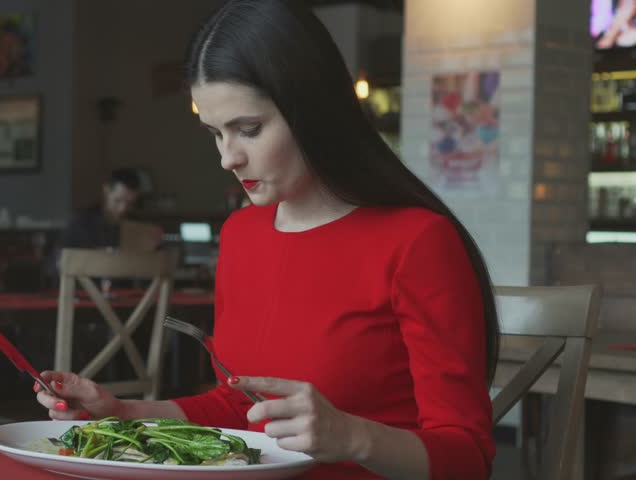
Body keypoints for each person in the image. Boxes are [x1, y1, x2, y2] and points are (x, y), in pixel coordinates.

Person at [35, 1, 499, 478]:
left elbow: (467, 459)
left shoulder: (417, 241)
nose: (227, 158)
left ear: (312, 108)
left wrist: (353, 437)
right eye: (215, 133)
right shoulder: (241, 234)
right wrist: (123, 412)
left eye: (248, 130)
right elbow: (239, 408)